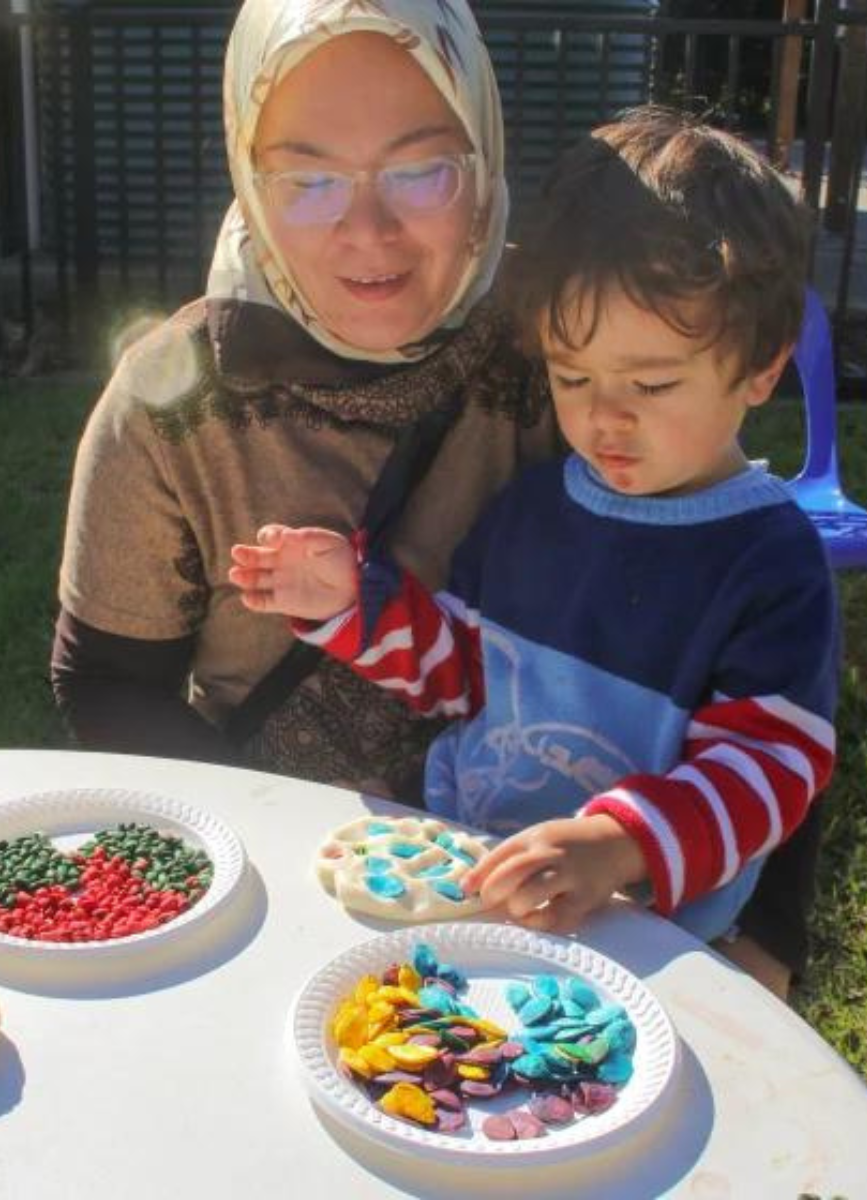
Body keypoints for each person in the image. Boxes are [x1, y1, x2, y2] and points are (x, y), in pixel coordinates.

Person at [227, 107, 839, 972]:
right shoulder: (532, 508)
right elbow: (466, 674)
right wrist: (348, 606)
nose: (604, 414)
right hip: (467, 867)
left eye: (654, 382)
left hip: (639, 924)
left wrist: (615, 844)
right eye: (571, 374)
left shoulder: (770, 562)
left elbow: (771, 770)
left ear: (763, 367)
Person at [51, 0, 553, 802]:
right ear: (250, 182)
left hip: (544, 869)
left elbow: (721, 593)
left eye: (421, 170)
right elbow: (110, 681)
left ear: (483, 152)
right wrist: (282, 838)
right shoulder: (172, 399)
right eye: (308, 180)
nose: (367, 230)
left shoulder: (567, 349)